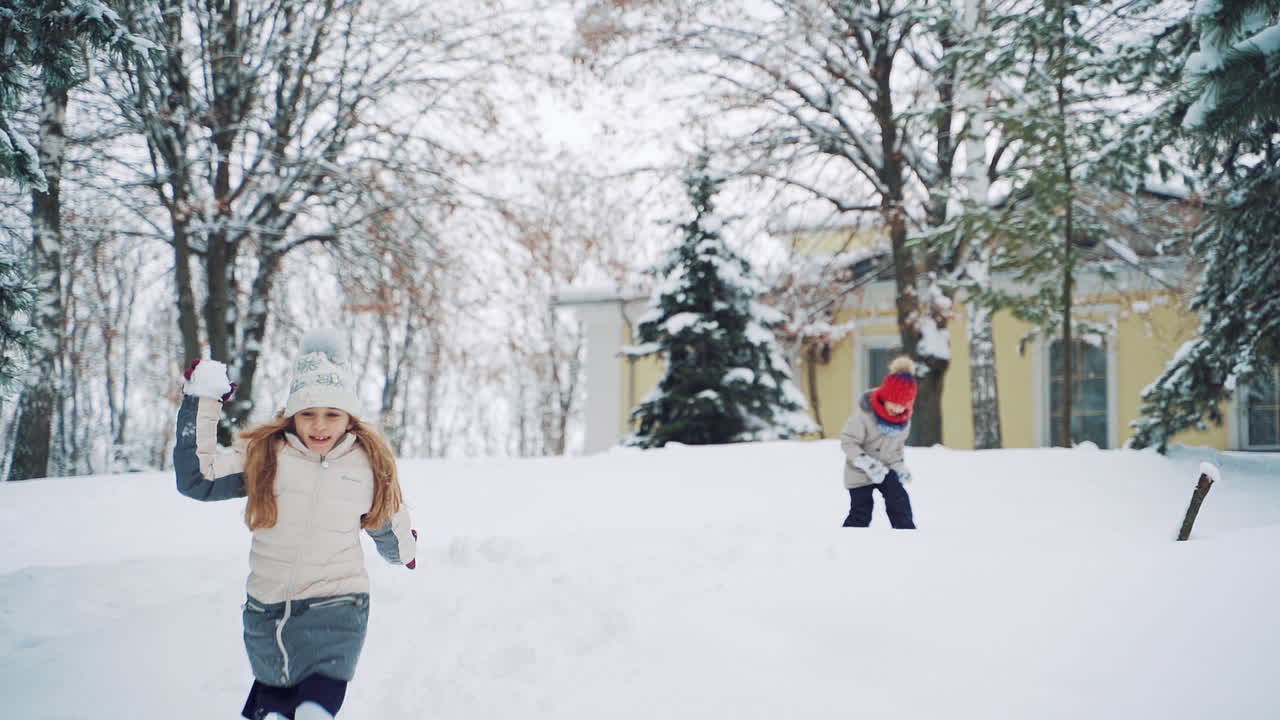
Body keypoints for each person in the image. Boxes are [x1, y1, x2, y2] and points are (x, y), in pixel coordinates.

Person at [173, 329, 417, 720]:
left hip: (339, 605)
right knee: (274, 711)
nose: (319, 425)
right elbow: (197, 479)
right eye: (308, 413)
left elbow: (389, 517)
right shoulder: (265, 456)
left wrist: (404, 551)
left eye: (332, 414)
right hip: (267, 613)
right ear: (292, 414)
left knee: (315, 708)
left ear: (349, 417)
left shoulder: (368, 463)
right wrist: (202, 400)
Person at [839, 354, 918, 529]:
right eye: (894, 402)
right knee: (862, 510)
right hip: (859, 470)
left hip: (886, 469)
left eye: (902, 404)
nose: (897, 409)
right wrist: (866, 463)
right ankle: (850, 540)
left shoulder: (903, 422)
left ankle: (907, 535)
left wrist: (899, 466)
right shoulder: (865, 415)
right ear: (885, 396)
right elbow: (848, 442)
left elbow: (896, 450)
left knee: (899, 500)